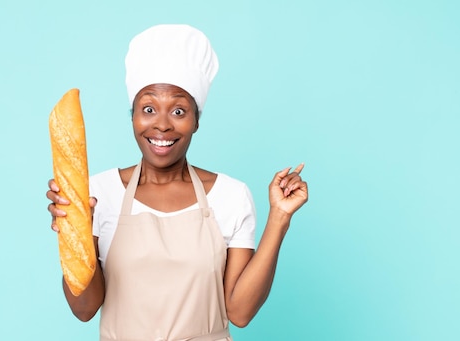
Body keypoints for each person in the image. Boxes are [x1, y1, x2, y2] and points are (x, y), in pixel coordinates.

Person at [47, 24, 308, 341]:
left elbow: (240, 313)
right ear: (132, 117)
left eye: (179, 110)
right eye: (148, 108)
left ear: (197, 120)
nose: (161, 124)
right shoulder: (98, 193)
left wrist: (280, 217)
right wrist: (77, 232)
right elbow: (85, 309)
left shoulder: (231, 195)